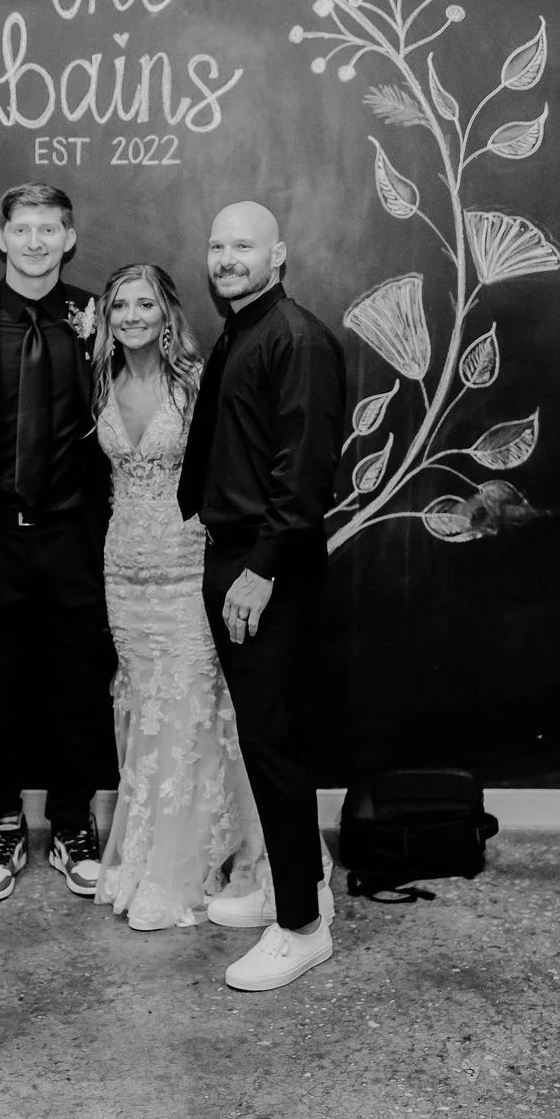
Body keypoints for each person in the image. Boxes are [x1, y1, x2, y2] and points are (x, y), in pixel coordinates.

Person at [178, 200, 346, 991]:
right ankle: (296, 886)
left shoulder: (297, 339)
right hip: (236, 554)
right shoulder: (243, 329)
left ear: (279, 255)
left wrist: (262, 568)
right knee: (262, 733)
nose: (226, 257)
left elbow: (303, 472)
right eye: (217, 245)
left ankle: (303, 929)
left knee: (272, 740)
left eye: (243, 244)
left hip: (263, 563)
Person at [0, 183, 116, 904]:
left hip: (74, 533)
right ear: (1, 236)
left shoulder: (98, 317)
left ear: (69, 239)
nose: (37, 240)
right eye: (24, 227)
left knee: (79, 683)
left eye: (51, 228)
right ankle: (2, 821)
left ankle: (74, 824)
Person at [88, 263, 269, 931]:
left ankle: (190, 863)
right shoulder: (100, 379)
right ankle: (146, 851)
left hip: (188, 568)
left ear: (167, 314)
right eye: (120, 305)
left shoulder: (196, 383)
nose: (132, 316)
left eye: (144, 304)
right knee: (143, 704)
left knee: (193, 707)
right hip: (123, 574)